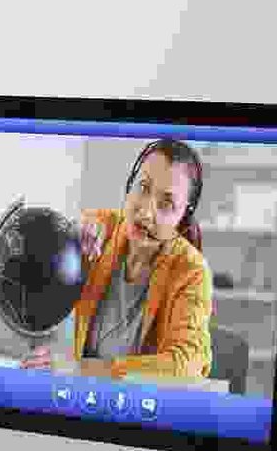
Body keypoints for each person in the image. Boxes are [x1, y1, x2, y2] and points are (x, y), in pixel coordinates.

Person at [21, 138, 213, 381]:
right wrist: (71, 238)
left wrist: (83, 369)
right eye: (143, 187)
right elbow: (87, 223)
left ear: (183, 219)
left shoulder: (192, 271)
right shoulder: (103, 232)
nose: (145, 213)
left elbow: (186, 364)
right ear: (129, 185)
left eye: (166, 204)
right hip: (88, 394)